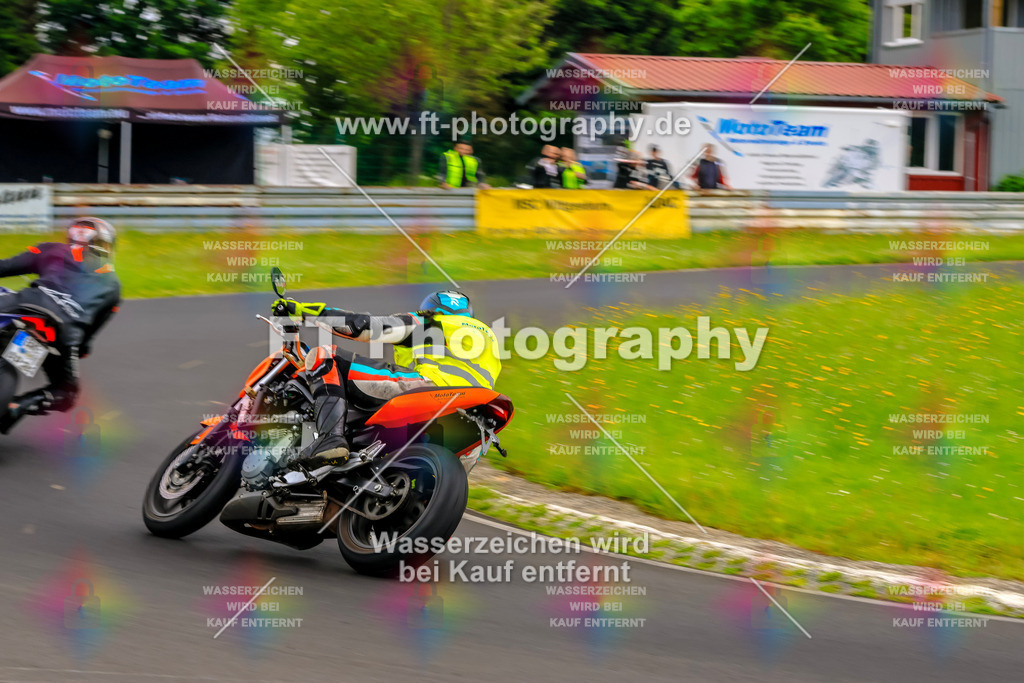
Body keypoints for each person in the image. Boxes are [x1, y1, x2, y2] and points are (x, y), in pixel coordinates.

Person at [272, 290, 502, 469]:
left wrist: (303, 311)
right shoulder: (490, 338)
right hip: (477, 414)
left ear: (431, 309)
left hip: (429, 389)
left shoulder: (430, 321)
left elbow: (362, 326)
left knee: (324, 355)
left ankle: (330, 439)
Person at [0, 217, 121, 432]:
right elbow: (89, 335)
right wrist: (78, 349)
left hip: (25, 306)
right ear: (106, 245)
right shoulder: (113, 285)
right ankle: (16, 406)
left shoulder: (51, 250)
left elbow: (5, 266)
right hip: (61, 335)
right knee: (66, 393)